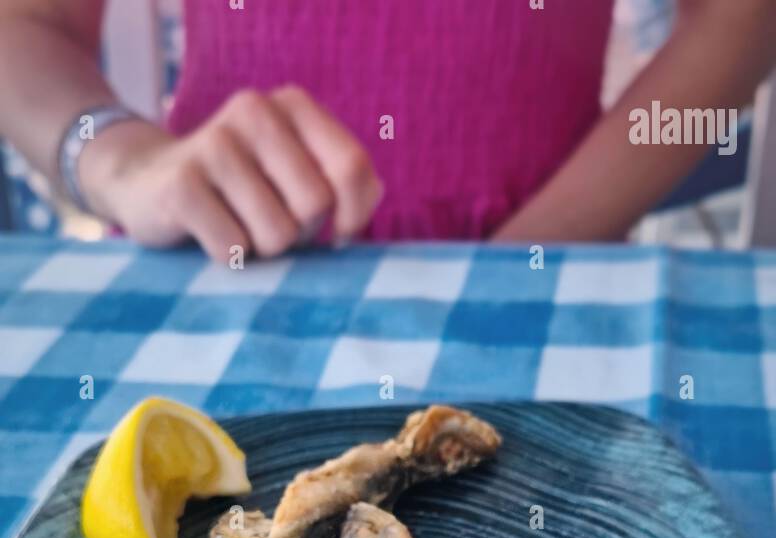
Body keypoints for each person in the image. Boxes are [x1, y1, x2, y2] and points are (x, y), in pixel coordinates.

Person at [0, 0, 773, 260]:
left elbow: (741, 17)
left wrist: (537, 244)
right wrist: (122, 162)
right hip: (219, 252)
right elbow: (27, 25)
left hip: (543, 264)